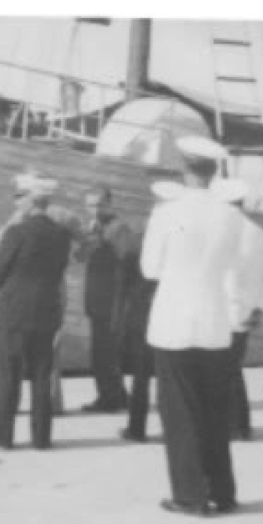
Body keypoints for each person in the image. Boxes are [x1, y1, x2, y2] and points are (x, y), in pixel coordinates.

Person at [141, 136, 244, 517]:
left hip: (174, 321)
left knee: (180, 412)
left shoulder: (167, 212)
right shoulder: (230, 215)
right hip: (215, 321)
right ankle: (222, 492)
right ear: (214, 172)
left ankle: (189, 496)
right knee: (215, 411)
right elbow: (231, 267)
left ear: (184, 169)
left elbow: (150, 269)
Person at [0, 174, 71, 450]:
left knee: (8, 375)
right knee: (42, 375)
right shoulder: (62, 235)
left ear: (32, 200)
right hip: (47, 311)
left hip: (14, 311)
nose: (15, 201)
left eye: (19, 196)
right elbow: (59, 271)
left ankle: (2, 436)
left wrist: (2, 283)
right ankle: (41, 437)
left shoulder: (16, 233)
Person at [215, 178, 263, 440]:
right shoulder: (259, 233)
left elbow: (226, 274)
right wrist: (260, 308)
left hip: (220, 310)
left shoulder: (220, 230)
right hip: (245, 313)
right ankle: (241, 424)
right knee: (232, 368)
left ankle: (231, 426)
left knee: (221, 371)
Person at [118, 181, 177, 442]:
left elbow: (124, 280)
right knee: (169, 375)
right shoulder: (181, 239)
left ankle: (136, 428)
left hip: (142, 313)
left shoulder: (137, 239)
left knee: (141, 375)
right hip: (170, 312)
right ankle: (171, 428)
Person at [78, 188, 133, 413]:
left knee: (107, 352)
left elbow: (127, 259)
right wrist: (87, 240)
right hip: (96, 298)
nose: (95, 210)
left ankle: (111, 398)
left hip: (112, 299)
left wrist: (102, 241)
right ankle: (114, 395)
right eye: (90, 205)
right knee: (100, 352)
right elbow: (79, 257)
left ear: (110, 204)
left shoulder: (119, 228)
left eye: (99, 204)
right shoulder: (91, 227)